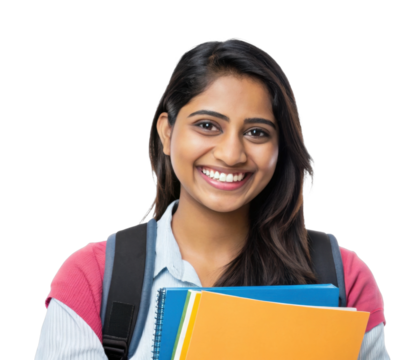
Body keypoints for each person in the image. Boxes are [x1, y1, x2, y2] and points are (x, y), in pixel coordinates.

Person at [35, 37, 389, 359]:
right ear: (167, 131)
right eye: (207, 125)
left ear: (280, 148)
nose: (231, 154)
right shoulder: (92, 279)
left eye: (256, 132)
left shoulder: (344, 277)